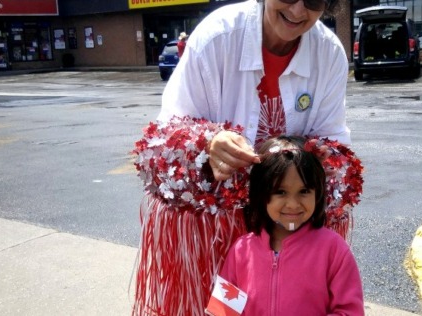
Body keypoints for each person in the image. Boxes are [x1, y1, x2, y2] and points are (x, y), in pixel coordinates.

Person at [132, 0, 363, 314]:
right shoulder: (217, 37)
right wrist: (207, 145)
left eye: (314, 0)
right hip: (212, 234)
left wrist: (310, 167)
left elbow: (335, 147)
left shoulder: (329, 53)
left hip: (293, 232)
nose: (297, 10)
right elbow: (163, 138)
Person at [218, 135, 364, 315]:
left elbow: (350, 311)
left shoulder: (333, 250)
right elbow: (223, 310)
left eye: (304, 191)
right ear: (261, 194)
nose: (293, 204)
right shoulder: (240, 250)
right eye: (280, 192)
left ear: (318, 193)